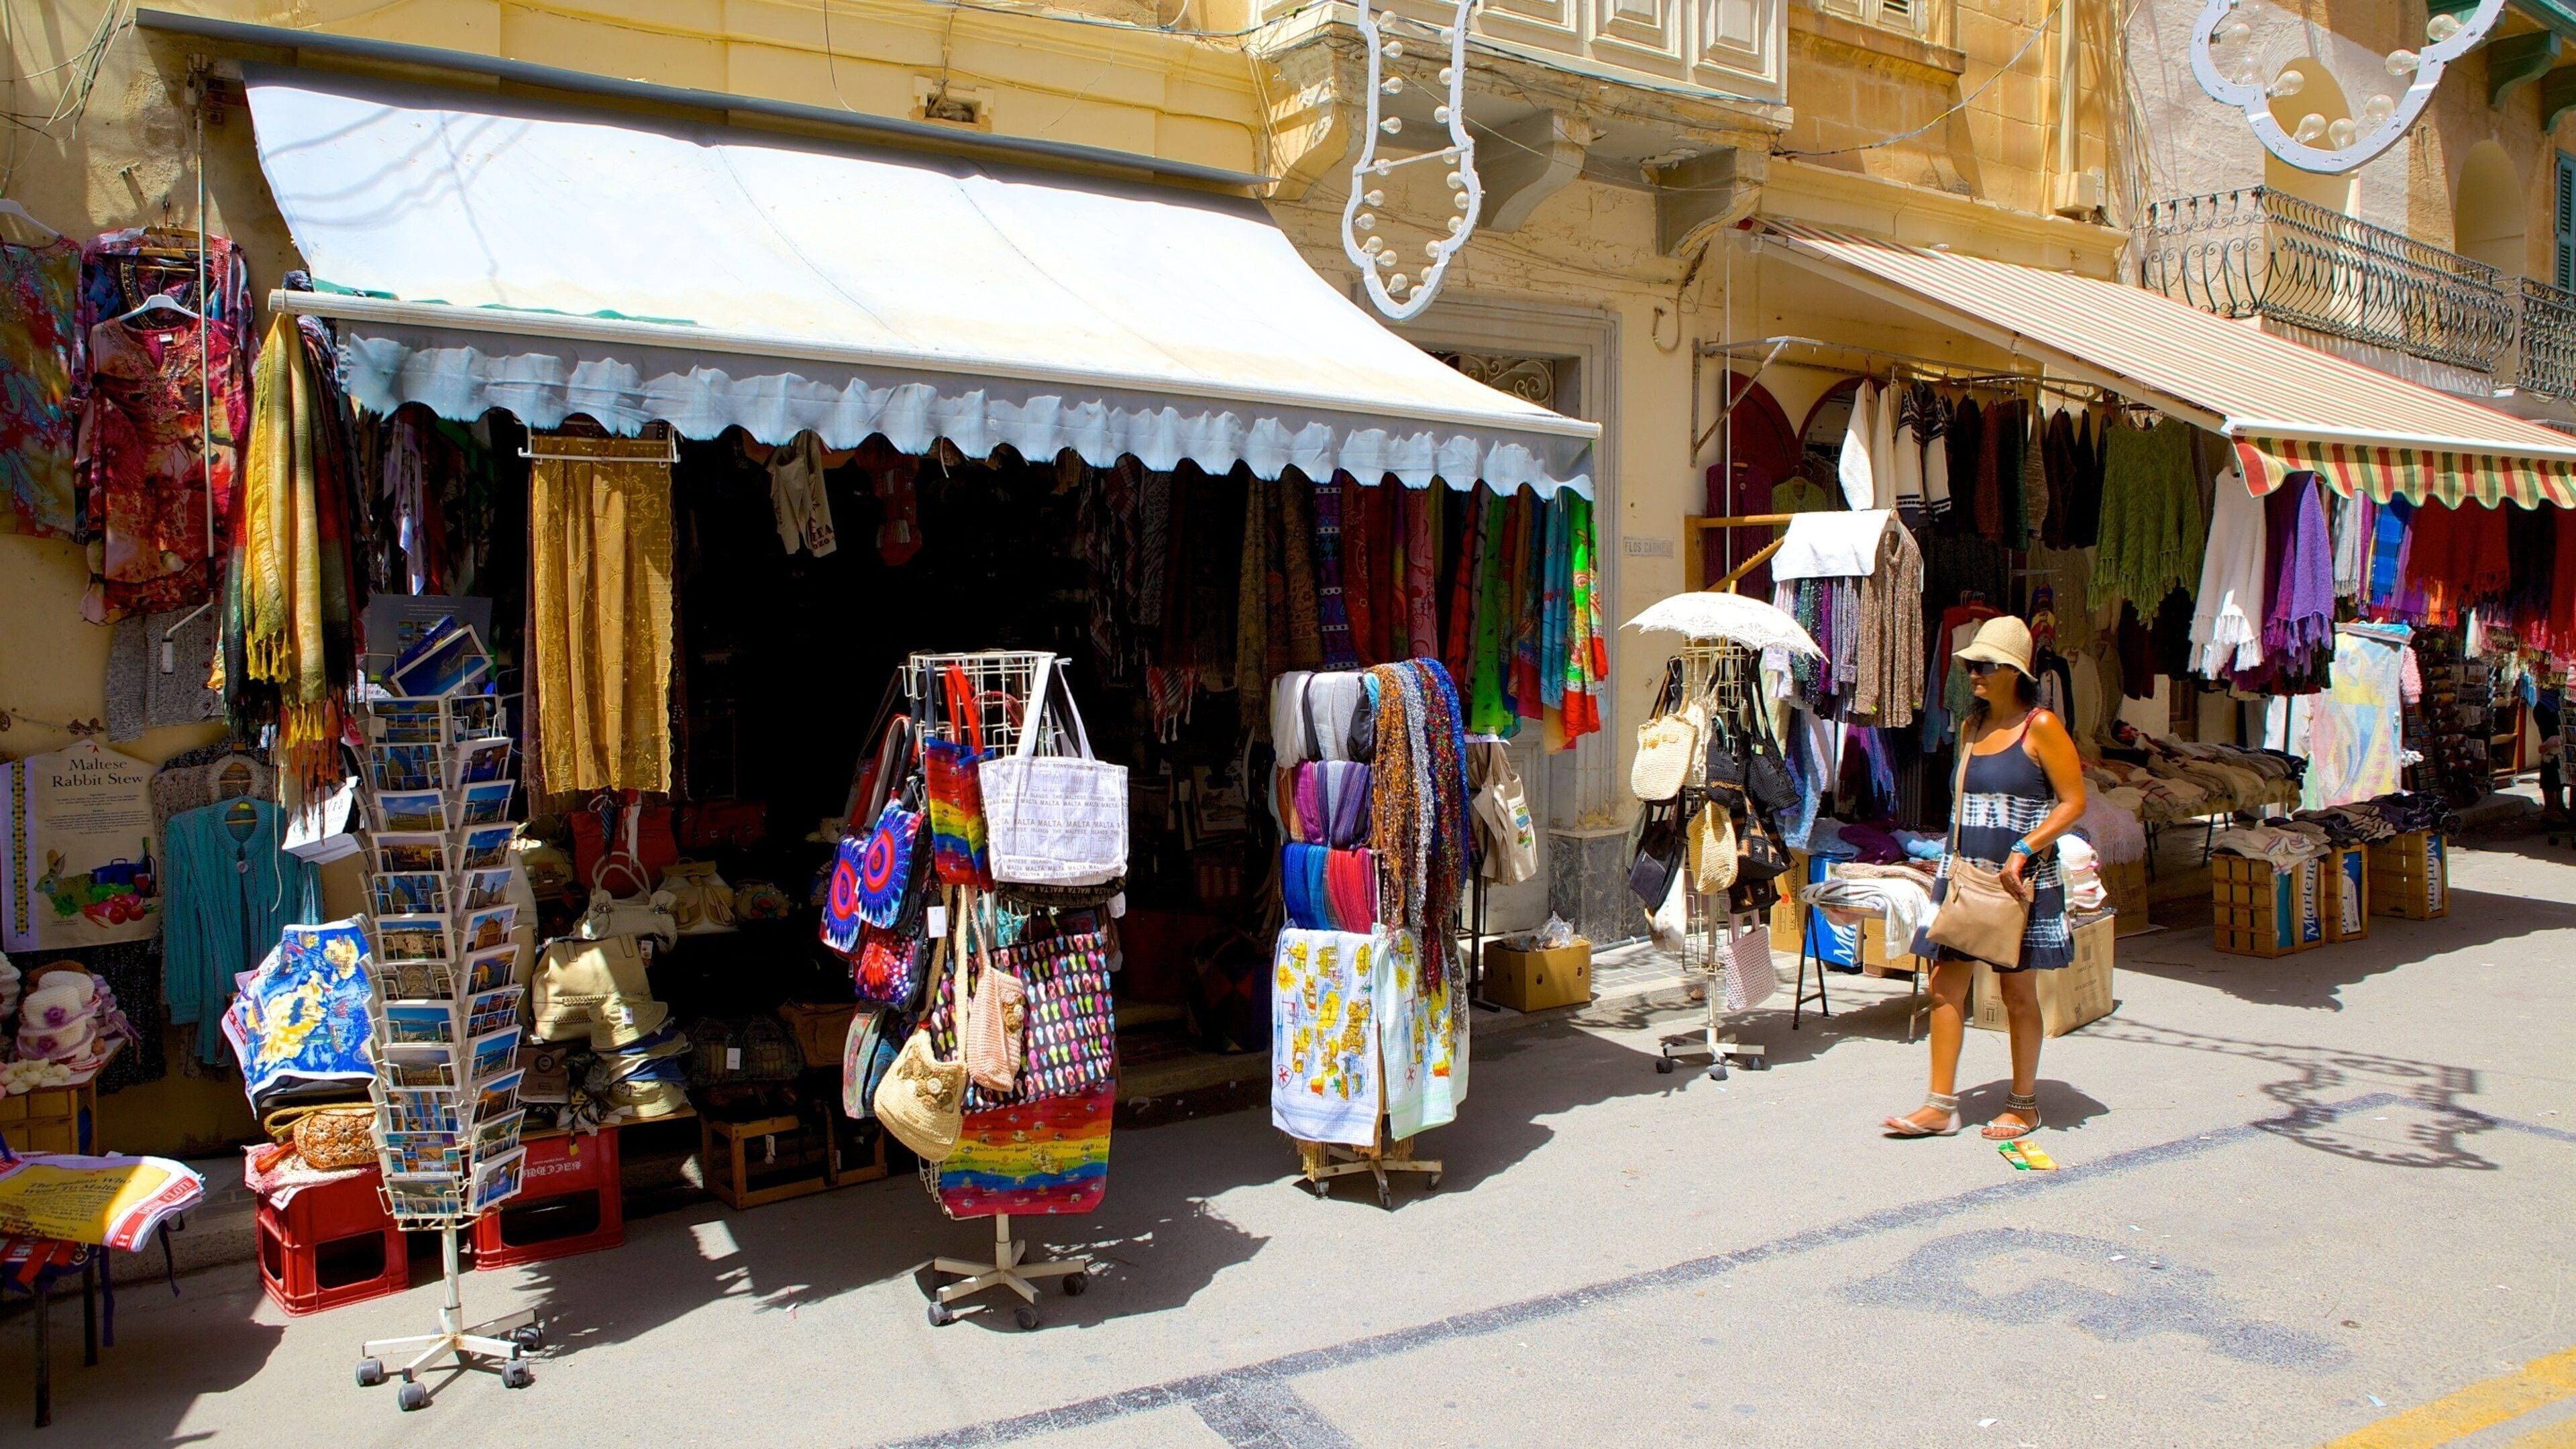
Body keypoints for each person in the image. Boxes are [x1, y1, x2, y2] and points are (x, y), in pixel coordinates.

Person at [1884, 615, 2088, 1142]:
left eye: (1985, 665)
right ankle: (1939, 1104)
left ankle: (2024, 1104)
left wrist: (2024, 849)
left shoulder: (2040, 726)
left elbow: (2074, 802)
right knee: (1945, 986)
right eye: (1970, 664)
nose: (1973, 672)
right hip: (1965, 874)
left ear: (2015, 672)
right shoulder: (1971, 727)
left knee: (2017, 994)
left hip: (2018, 883)